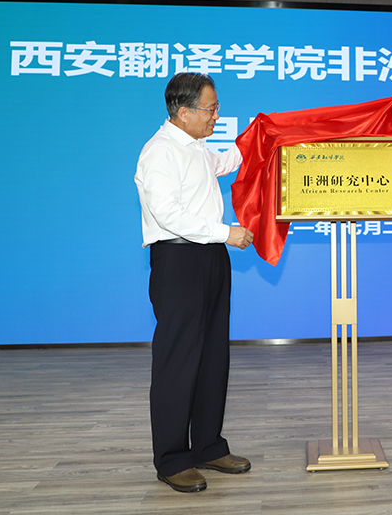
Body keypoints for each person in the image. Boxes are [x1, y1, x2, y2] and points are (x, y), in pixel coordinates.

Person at [134, 72, 254, 492]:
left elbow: (227, 162)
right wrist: (225, 232)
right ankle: (171, 459)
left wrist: (263, 133)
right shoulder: (159, 152)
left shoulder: (198, 147)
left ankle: (207, 445)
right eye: (211, 109)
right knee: (179, 360)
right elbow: (169, 214)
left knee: (212, 356)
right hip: (179, 259)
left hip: (210, 256)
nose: (216, 116)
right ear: (183, 112)